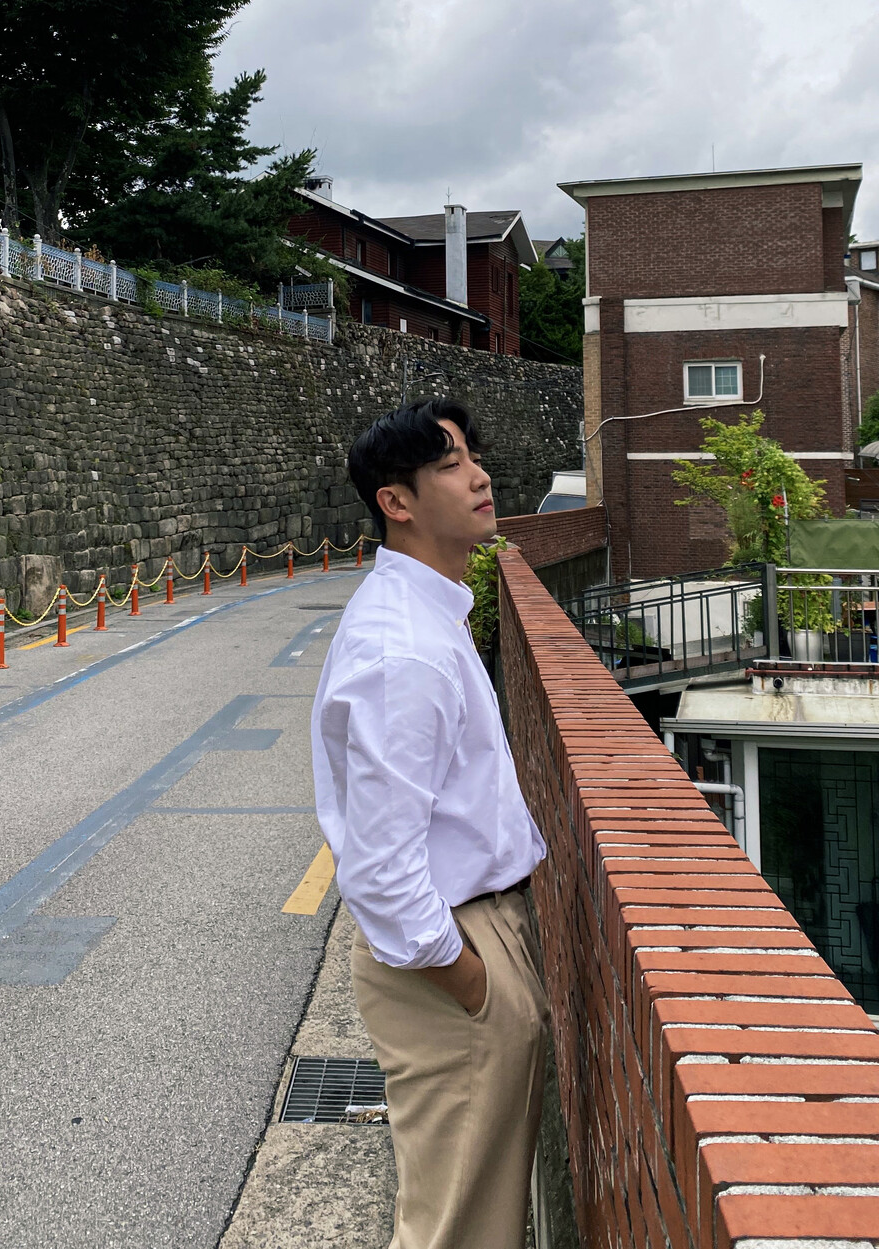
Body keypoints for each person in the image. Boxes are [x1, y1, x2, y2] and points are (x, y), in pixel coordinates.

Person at [310, 397, 549, 1249]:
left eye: (473, 456)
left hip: (467, 942)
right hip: (452, 957)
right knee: (457, 1229)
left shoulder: (423, 617)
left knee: (469, 1217)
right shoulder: (403, 650)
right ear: (396, 501)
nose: (480, 475)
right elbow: (381, 868)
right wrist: (474, 984)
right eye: (450, 464)